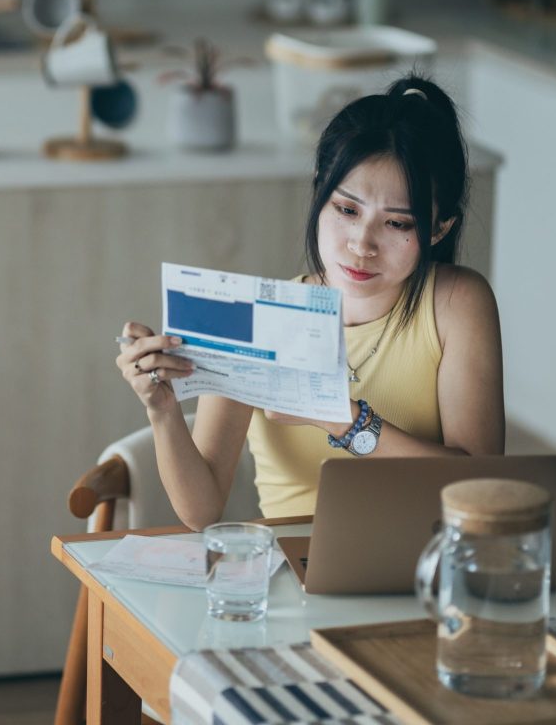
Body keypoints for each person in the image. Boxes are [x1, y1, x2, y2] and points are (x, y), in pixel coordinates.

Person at [115, 76, 504, 529]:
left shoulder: (457, 303)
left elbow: (484, 490)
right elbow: (202, 512)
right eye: (346, 210)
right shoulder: (257, 317)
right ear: (320, 194)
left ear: (439, 230)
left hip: (424, 568)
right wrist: (162, 410)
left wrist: (343, 421)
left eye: (397, 223)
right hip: (294, 572)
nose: (362, 244)